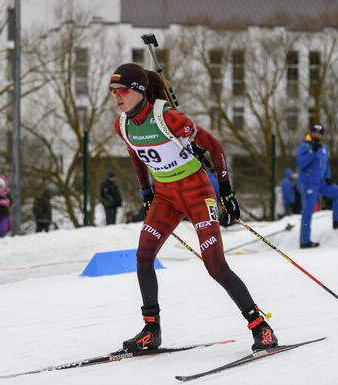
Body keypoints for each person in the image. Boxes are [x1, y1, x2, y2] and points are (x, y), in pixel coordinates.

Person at [109, 63, 278, 352]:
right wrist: (146, 190)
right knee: (144, 256)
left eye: (122, 90)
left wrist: (226, 190)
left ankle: (260, 327)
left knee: (215, 265)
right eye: (112, 91)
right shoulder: (122, 125)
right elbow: (136, 156)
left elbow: (215, 146)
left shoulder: (169, 118)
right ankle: (152, 329)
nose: (116, 97)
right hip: (165, 196)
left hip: (196, 192)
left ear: (138, 91)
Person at [296, 124, 338, 249]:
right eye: (315, 132)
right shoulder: (305, 146)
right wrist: (312, 152)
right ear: (311, 133)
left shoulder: (323, 147)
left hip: (321, 182)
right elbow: (301, 164)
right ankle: (304, 241)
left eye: (320, 132)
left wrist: (328, 176)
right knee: (308, 211)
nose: (317, 134)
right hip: (308, 183)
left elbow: (326, 163)